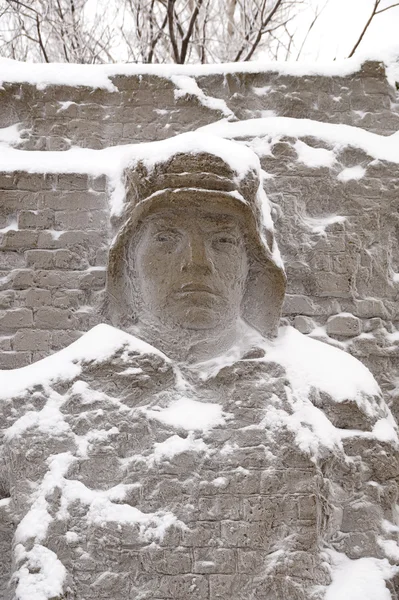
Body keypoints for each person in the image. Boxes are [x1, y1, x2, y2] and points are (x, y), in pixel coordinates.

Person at [0, 134, 398, 600]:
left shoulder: (338, 401)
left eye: (223, 240)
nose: (196, 263)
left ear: (254, 261)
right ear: (127, 259)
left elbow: (372, 566)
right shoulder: (36, 410)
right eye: (166, 239)